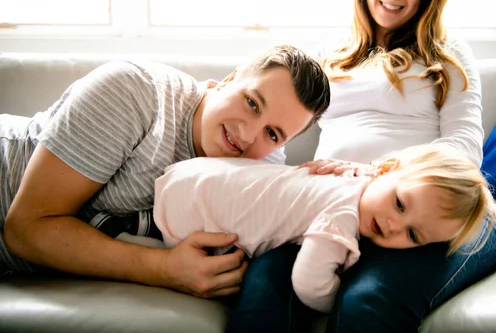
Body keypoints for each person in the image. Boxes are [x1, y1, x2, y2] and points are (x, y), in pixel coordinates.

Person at [226, 0, 496, 332]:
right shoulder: (329, 53)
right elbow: (275, 129)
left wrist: (375, 174)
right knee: (263, 287)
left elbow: (463, 148)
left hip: (438, 213)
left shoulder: (446, 52)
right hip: (336, 207)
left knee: (367, 301)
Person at [0, 45, 330, 300]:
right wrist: (163, 269)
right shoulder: (133, 91)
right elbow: (25, 229)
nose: (247, 135)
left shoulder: (262, 165)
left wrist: (335, 178)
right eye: (252, 103)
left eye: (272, 134)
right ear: (229, 80)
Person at [144, 141, 496, 314]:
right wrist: (333, 295)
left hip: (192, 174)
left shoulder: (356, 175)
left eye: (412, 235)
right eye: (400, 204)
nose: (393, 225)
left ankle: (138, 222)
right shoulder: (343, 217)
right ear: (385, 169)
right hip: (189, 214)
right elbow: (308, 282)